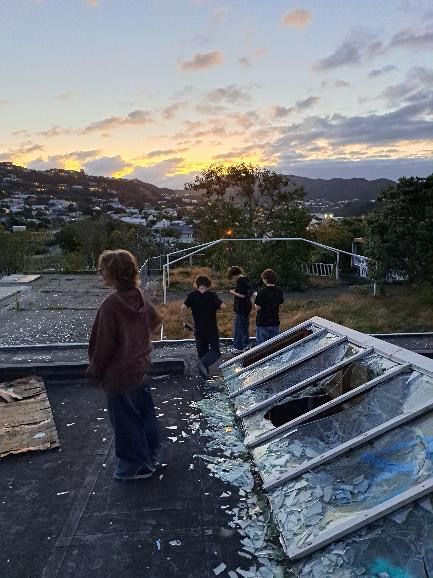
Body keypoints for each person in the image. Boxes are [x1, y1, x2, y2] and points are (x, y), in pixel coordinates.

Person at [87, 249, 162, 481]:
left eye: (103, 270)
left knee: (125, 423)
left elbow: (103, 346)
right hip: (140, 369)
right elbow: (155, 320)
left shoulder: (111, 305)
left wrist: (94, 372)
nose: (101, 274)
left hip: (119, 376)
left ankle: (135, 467)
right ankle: (151, 456)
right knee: (143, 415)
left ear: (113, 274)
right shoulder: (138, 295)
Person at [181, 274, 226, 378]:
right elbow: (223, 306)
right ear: (208, 285)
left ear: (197, 285)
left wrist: (185, 322)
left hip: (199, 330)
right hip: (211, 329)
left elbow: (183, 307)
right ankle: (203, 364)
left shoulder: (192, 295)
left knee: (202, 354)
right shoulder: (212, 295)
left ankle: (204, 378)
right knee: (215, 351)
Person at [254, 268, 284, 346]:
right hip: (274, 321)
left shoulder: (261, 292)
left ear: (265, 279)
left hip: (262, 322)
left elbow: (257, 307)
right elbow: (280, 303)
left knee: (261, 347)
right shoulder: (279, 290)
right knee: (274, 346)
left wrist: (256, 297)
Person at [227, 265, 252, 353]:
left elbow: (242, 295)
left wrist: (233, 292)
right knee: (245, 326)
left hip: (241, 308)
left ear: (234, 275)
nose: (233, 279)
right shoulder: (246, 279)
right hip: (247, 307)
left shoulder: (240, 281)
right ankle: (246, 344)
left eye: (232, 277)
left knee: (239, 327)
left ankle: (238, 347)